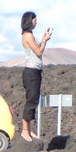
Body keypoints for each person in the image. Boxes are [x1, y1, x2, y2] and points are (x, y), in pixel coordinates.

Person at [20, 11, 52, 141]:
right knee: (31, 101)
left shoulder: (30, 35)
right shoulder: (28, 35)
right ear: (29, 21)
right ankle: (24, 131)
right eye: (34, 19)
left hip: (35, 71)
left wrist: (43, 40)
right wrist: (44, 41)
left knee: (34, 101)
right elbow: (39, 51)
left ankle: (29, 130)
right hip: (31, 72)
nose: (36, 21)